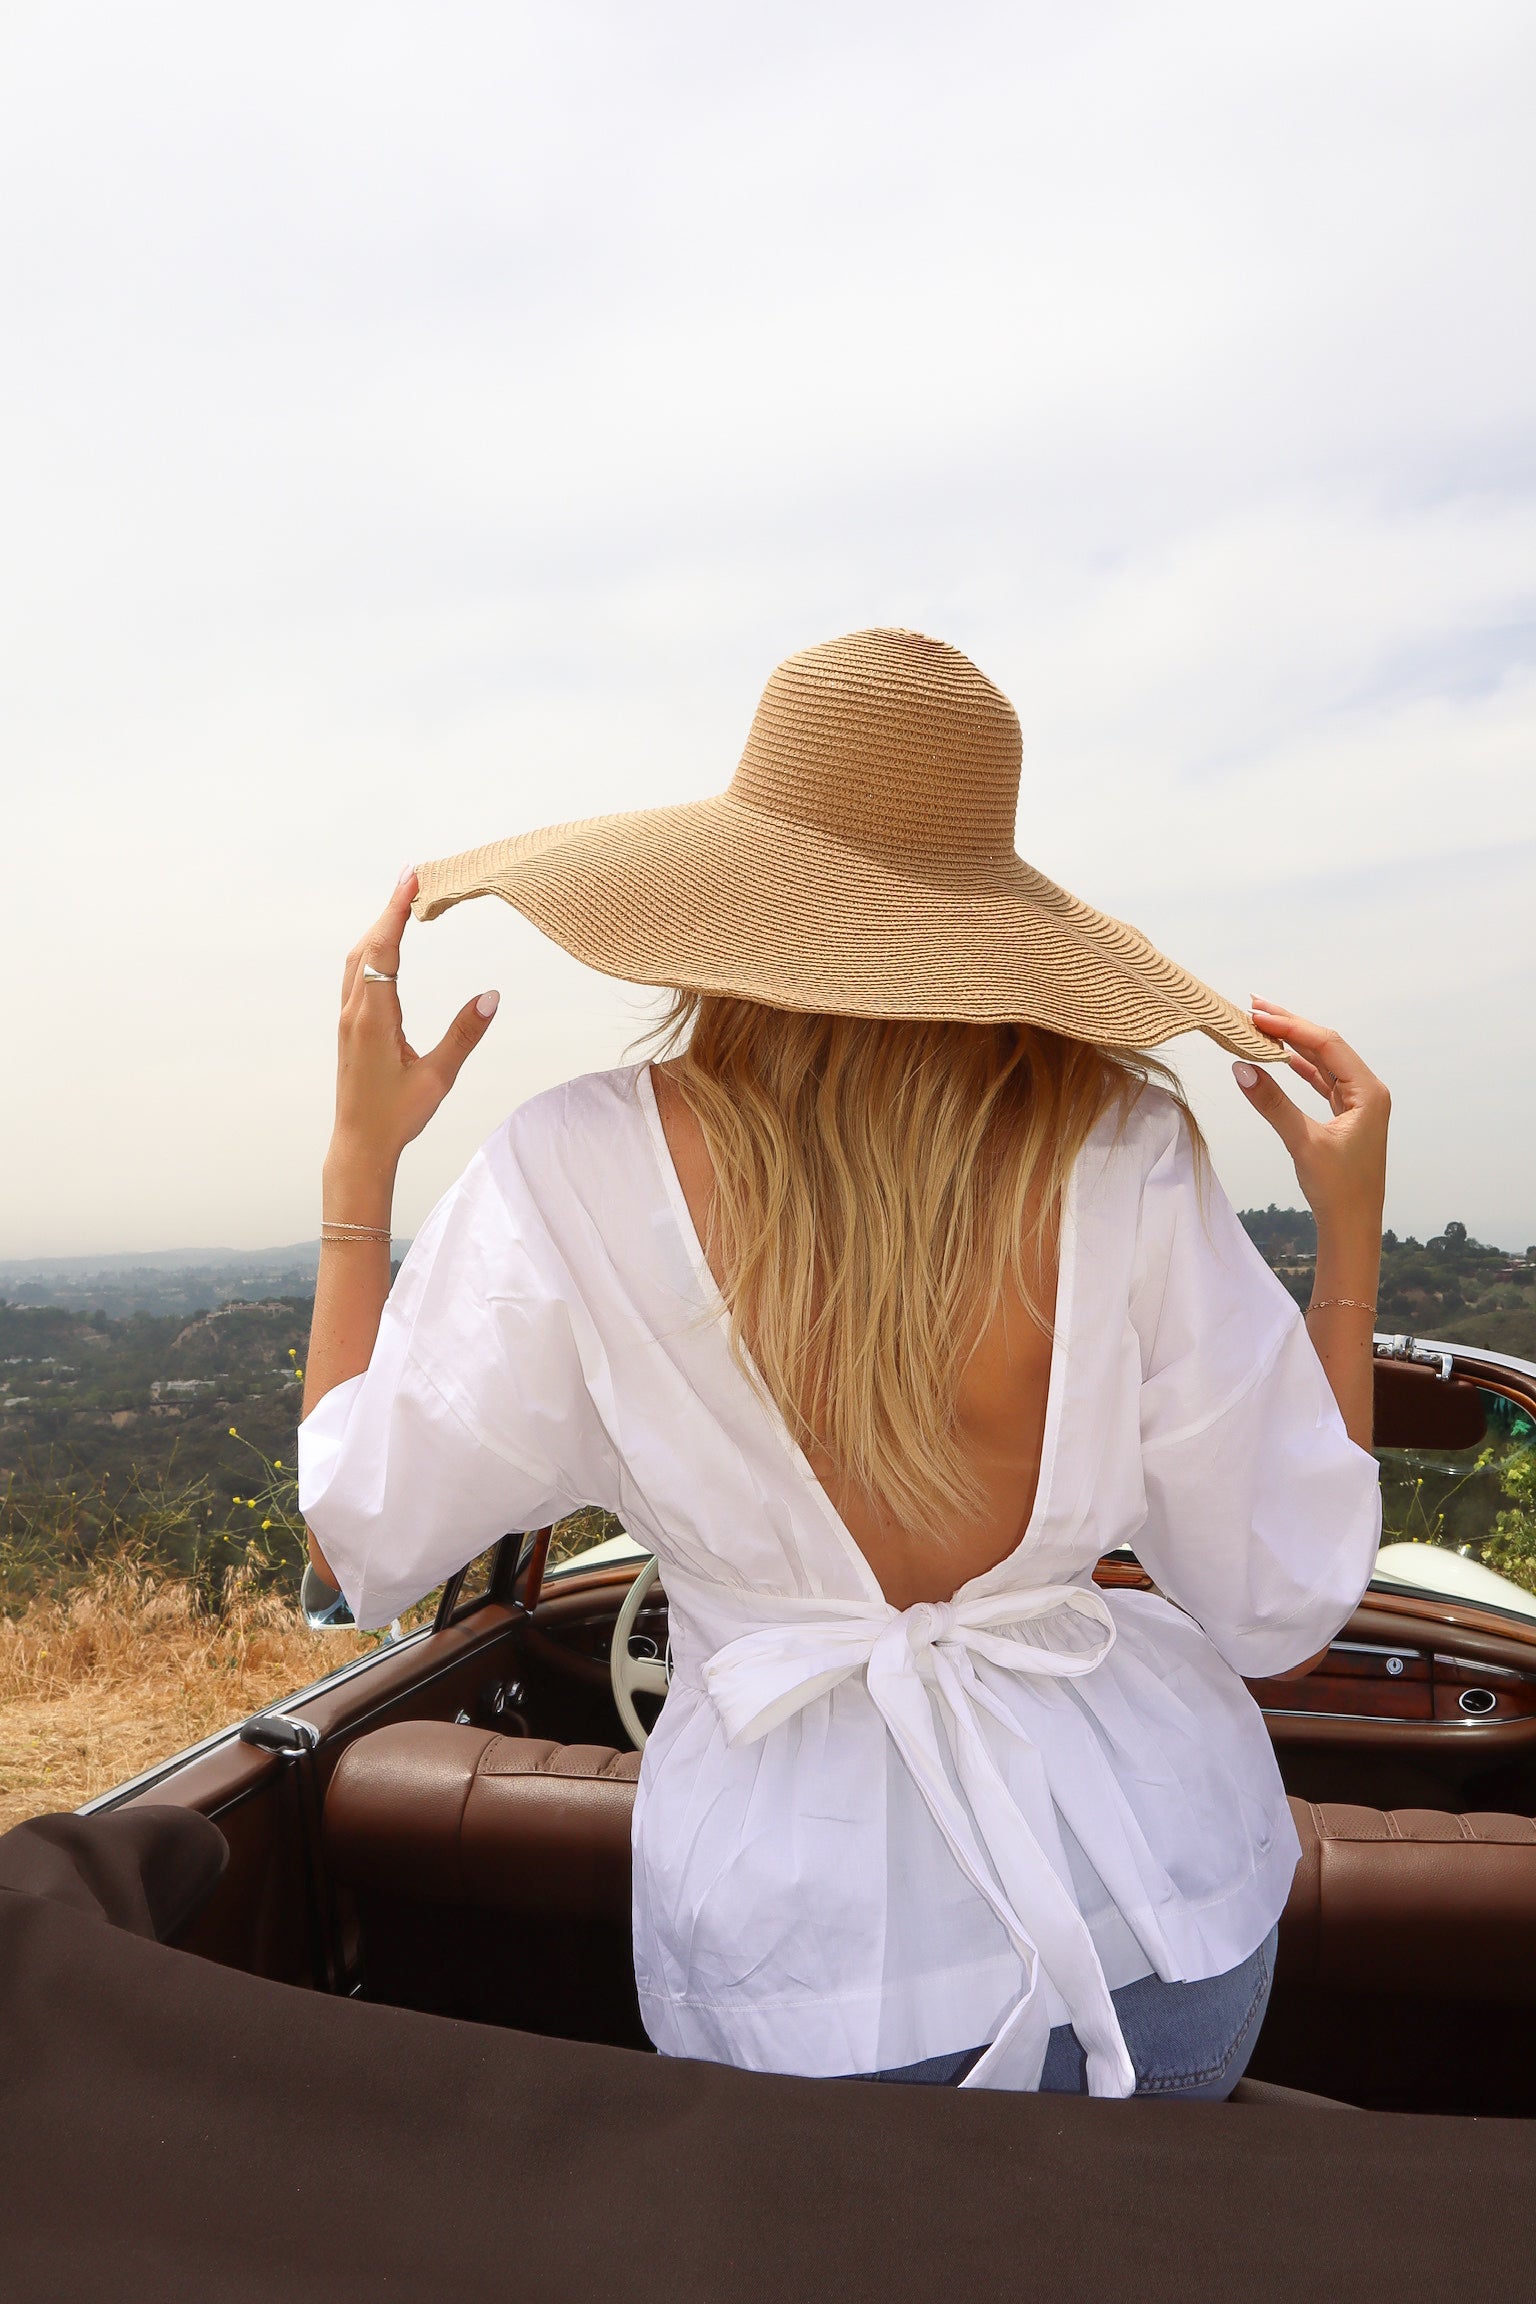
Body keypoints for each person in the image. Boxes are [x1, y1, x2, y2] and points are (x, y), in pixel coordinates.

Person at [297, 629, 1386, 2100]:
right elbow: (1283, 1606)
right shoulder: (1126, 1148)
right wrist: (1348, 1241)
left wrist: (358, 1176)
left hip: (801, 1987)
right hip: (1155, 1932)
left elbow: (356, 1531)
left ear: (734, 892)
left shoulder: (573, 1166)